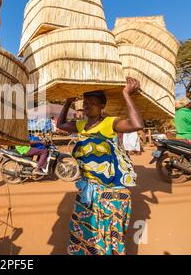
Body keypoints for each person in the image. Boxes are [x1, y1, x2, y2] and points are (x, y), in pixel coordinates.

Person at [56, 77, 144, 255]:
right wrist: (68, 101)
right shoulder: (81, 125)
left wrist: (126, 94)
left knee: (110, 236)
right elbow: (60, 124)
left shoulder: (110, 123)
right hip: (88, 190)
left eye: (92, 103)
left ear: (102, 106)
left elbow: (137, 124)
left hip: (112, 190)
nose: (87, 107)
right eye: (85, 103)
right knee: (85, 233)